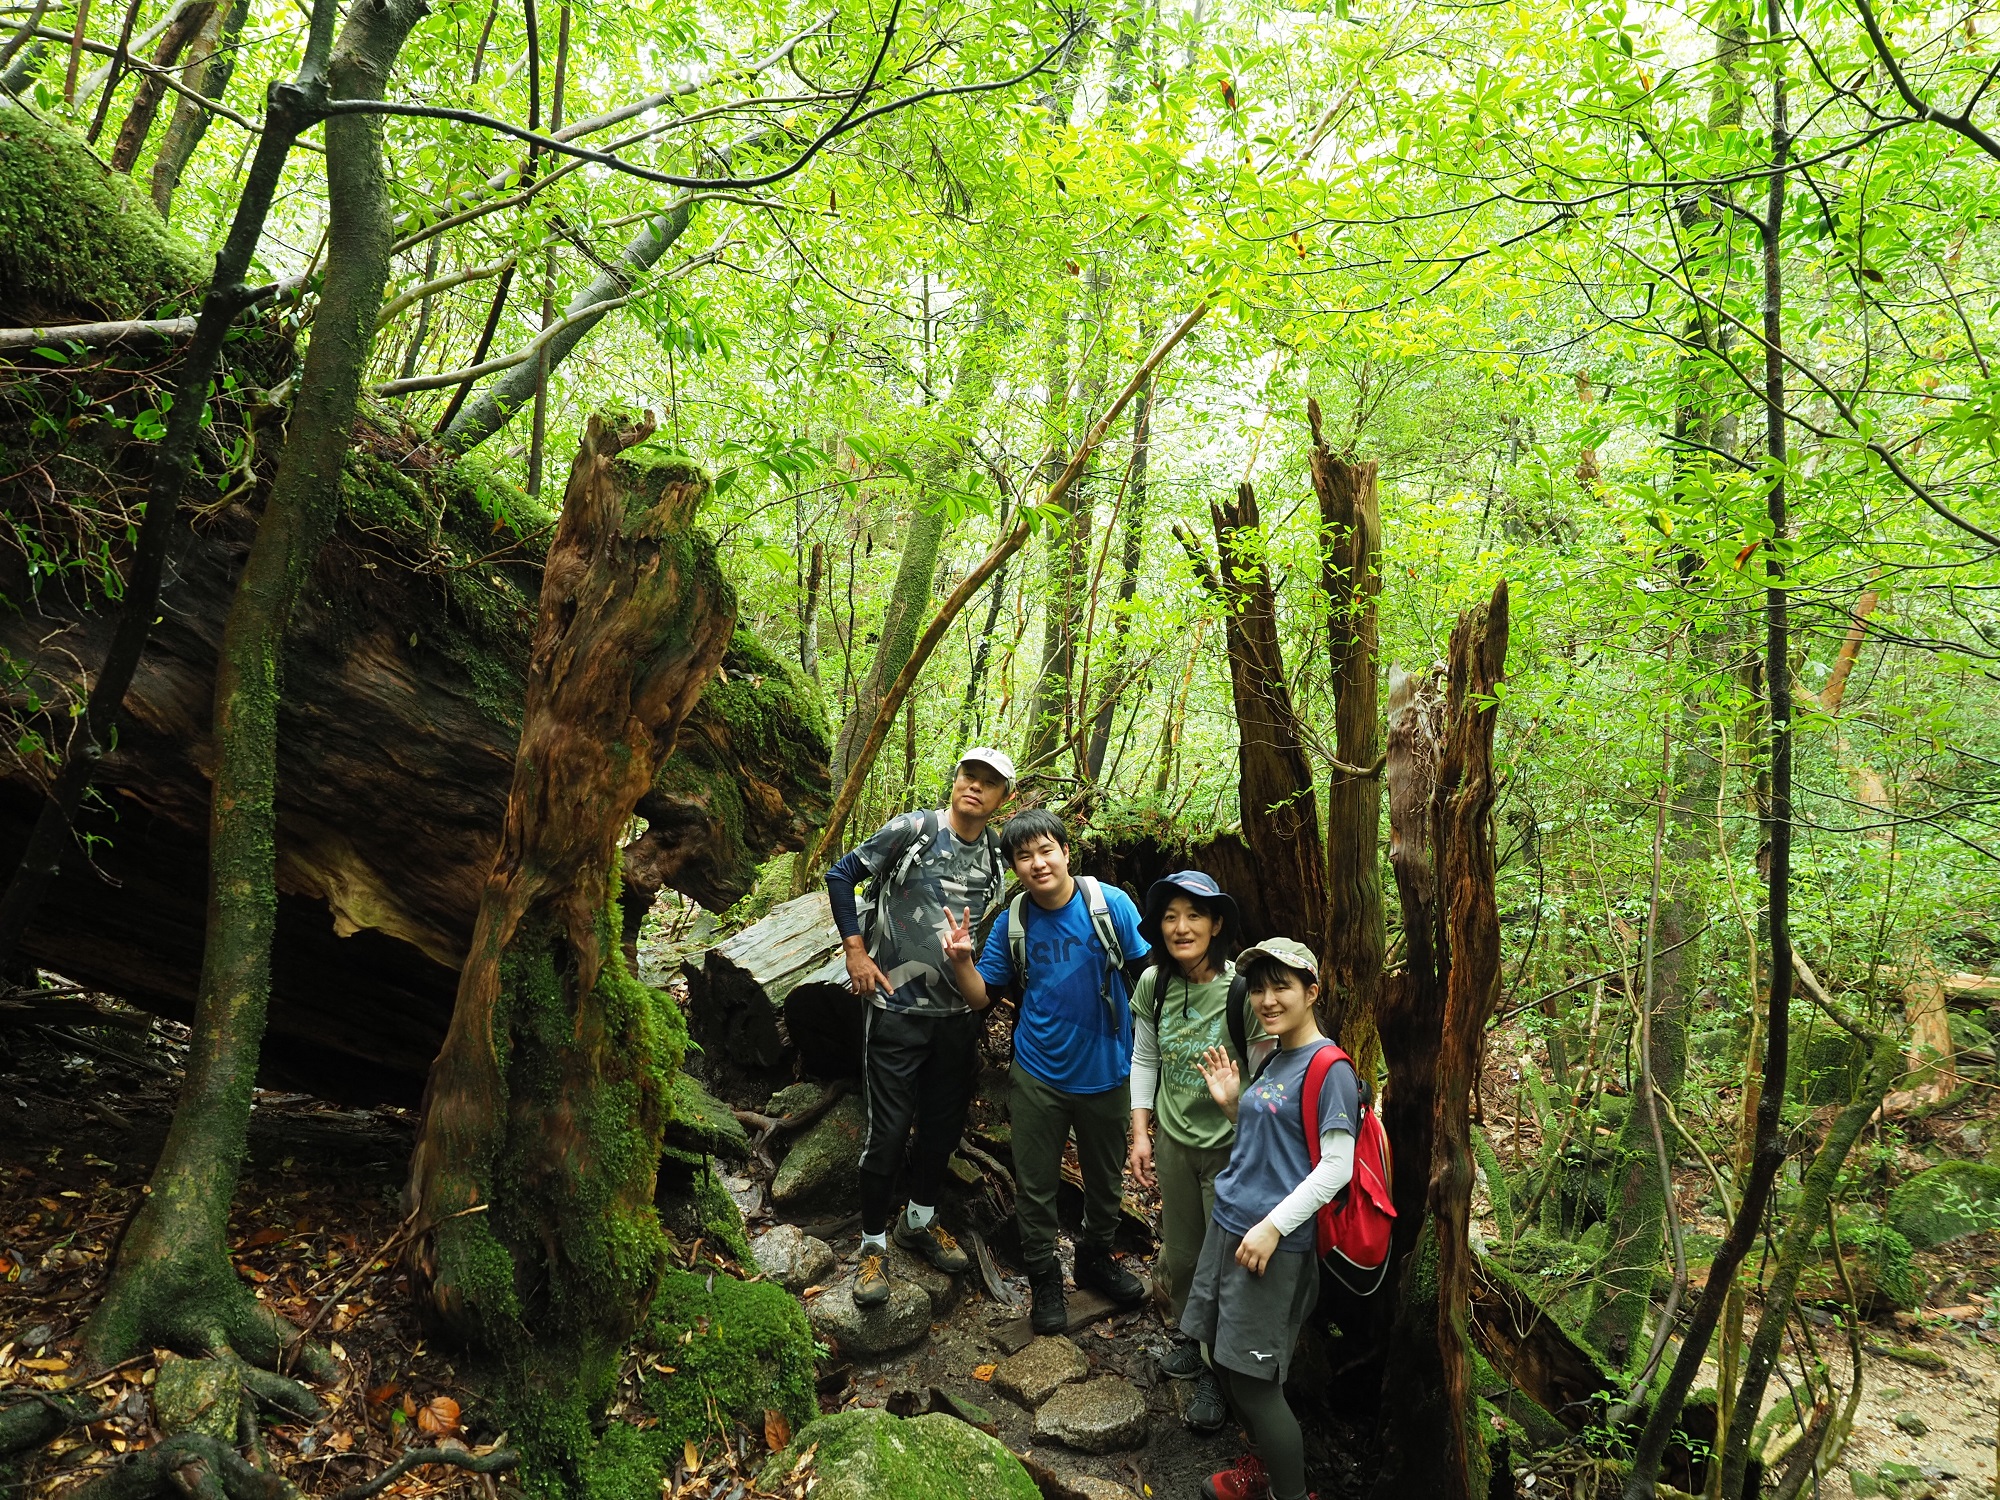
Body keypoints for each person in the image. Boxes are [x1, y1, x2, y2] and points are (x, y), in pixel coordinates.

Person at [942, 808, 1150, 1334]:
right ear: (1014, 866)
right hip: (1038, 1075)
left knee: (1105, 1183)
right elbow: (980, 1000)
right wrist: (961, 962)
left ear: (1064, 851)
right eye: (1023, 856)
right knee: (1035, 1186)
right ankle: (1044, 1280)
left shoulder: (1110, 905)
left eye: (1045, 850)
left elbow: (1149, 980)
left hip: (1109, 1072)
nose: (1037, 864)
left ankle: (1095, 1258)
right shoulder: (1014, 921)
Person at [824, 749, 1015, 1308]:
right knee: (887, 1132)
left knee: (941, 1129)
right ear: (955, 781)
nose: (974, 788)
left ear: (1003, 798)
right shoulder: (913, 830)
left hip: (958, 1016)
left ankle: (921, 1220)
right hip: (895, 1009)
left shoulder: (998, 856)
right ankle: (872, 1245)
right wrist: (855, 953)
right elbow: (841, 875)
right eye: (968, 777)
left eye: (988, 784)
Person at [1183, 938, 1355, 1500]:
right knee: (1225, 1363)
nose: (1266, 998)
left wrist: (1274, 1225)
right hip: (1232, 1227)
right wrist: (1235, 1104)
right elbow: (1275, 1147)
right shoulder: (1275, 1055)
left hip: (1271, 1245)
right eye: (1258, 987)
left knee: (1256, 1384)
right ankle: (1262, 1473)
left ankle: (1288, 1493)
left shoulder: (1330, 1068)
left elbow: (1336, 1169)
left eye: (1282, 985)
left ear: (1312, 992)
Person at [1125, 870, 1252, 1433]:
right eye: (1171, 917)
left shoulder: (1243, 992)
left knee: (1222, 1269)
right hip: (1175, 1145)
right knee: (1181, 1260)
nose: (1181, 928)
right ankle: (1193, 1339)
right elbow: (1145, 1058)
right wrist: (1140, 1133)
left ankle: (1214, 1373)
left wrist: (1241, 1115)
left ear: (1216, 923)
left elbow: (1271, 1071)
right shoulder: (1155, 984)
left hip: (1231, 1148)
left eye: (1194, 916)